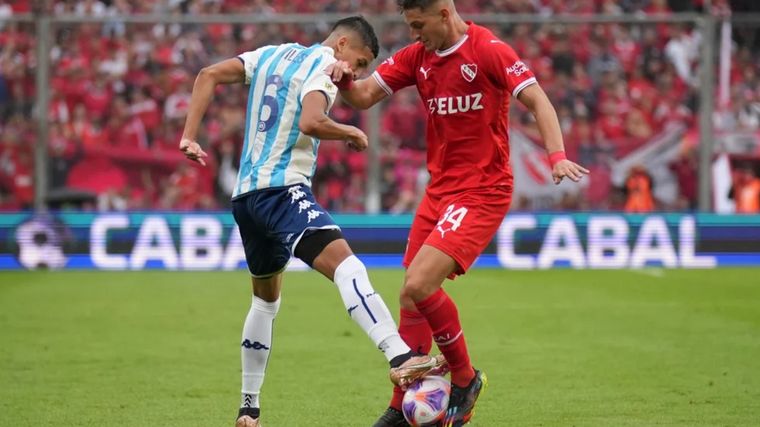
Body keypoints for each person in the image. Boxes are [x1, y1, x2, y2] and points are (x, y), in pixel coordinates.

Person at [327, 1, 589, 426]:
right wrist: (342, 78)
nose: (413, 35)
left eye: (418, 24)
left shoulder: (489, 50)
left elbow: (538, 100)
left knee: (420, 282)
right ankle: (401, 405)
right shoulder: (418, 57)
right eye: (409, 26)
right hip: (440, 192)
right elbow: (363, 97)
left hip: (484, 190)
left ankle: (465, 379)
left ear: (444, 13)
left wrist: (556, 155)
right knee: (410, 295)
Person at [178, 16, 445, 427]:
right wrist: (349, 131)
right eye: (357, 63)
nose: (354, 76)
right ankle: (400, 354)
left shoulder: (271, 55)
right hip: (282, 190)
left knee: (265, 301)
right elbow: (311, 122)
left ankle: (249, 408)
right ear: (341, 44)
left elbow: (208, 74)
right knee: (348, 266)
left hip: (246, 198)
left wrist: (190, 135)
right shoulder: (322, 69)